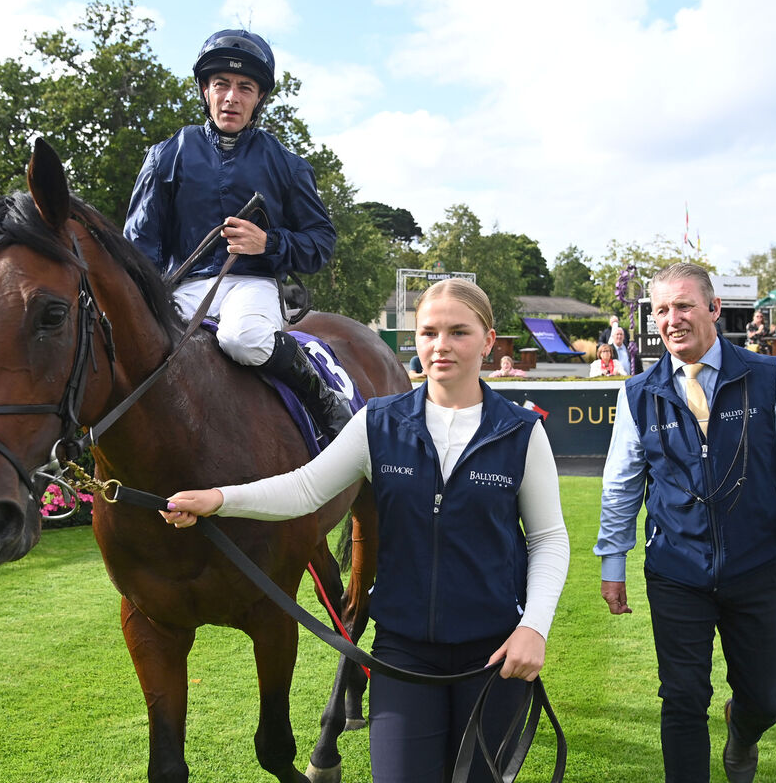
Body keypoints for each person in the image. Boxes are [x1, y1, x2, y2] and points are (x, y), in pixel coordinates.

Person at [161, 278, 570, 783]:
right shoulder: (377, 423)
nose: (441, 346)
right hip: (402, 655)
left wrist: (534, 627)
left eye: (459, 333)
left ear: (488, 341)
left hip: (495, 656)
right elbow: (306, 489)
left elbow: (549, 538)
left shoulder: (521, 432)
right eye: (429, 332)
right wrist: (220, 499)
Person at [595, 262, 776, 783]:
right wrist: (613, 561)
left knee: (767, 697)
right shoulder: (638, 393)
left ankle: (743, 726)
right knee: (682, 699)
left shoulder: (765, 377)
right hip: (675, 570)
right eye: (661, 310)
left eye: (684, 305)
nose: (672, 319)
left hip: (755, 566)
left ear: (714, 309)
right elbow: (621, 486)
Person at [123, 29, 351, 440]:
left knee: (242, 339)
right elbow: (138, 246)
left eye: (245, 88)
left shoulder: (288, 164)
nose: (231, 97)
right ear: (206, 91)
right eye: (221, 85)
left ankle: (323, 400)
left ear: (259, 98)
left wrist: (270, 243)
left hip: (253, 284)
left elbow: (321, 243)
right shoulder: (165, 155)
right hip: (182, 286)